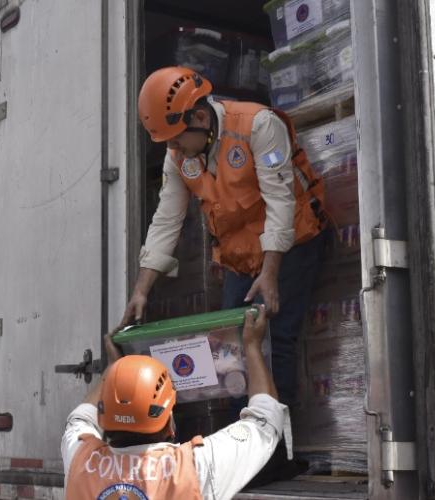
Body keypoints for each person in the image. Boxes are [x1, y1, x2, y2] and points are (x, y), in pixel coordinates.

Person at [121, 66, 327, 409]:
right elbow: (166, 221)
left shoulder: (259, 126)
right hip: (241, 257)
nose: (172, 148)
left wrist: (270, 274)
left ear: (200, 117)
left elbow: (280, 203)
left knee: (274, 343)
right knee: (231, 350)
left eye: (175, 137)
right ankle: (242, 443)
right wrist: (141, 291)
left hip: (290, 245)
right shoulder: (179, 156)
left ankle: (275, 450)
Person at [61, 306, 288, 499]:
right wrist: (252, 347)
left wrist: (114, 367)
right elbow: (265, 422)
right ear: (169, 421)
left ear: (104, 417)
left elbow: (80, 419)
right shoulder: (194, 467)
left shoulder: (80, 459)